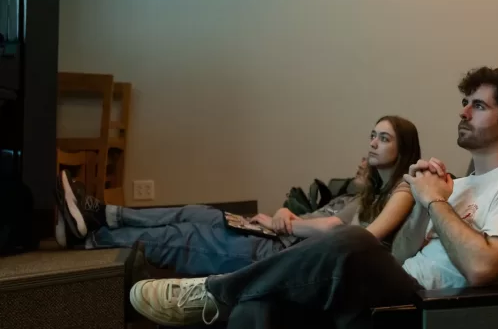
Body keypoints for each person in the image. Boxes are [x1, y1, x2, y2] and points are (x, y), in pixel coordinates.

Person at [127, 66, 498, 329]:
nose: (464, 111)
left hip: (426, 321)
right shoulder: (459, 186)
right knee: (257, 308)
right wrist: (427, 201)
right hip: (389, 304)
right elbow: (402, 256)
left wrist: (434, 202)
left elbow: (482, 268)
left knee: (350, 238)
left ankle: (212, 293)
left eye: (478, 105)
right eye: (465, 102)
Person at [54, 116, 421, 276]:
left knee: (184, 238)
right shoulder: (366, 194)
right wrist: (282, 217)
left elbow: (344, 233)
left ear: (404, 150)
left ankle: (92, 238)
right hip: (279, 236)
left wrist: (286, 225)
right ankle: (102, 215)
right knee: (198, 214)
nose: (373, 142)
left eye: (384, 138)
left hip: (283, 250)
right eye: (372, 134)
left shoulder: (402, 190)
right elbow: (320, 214)